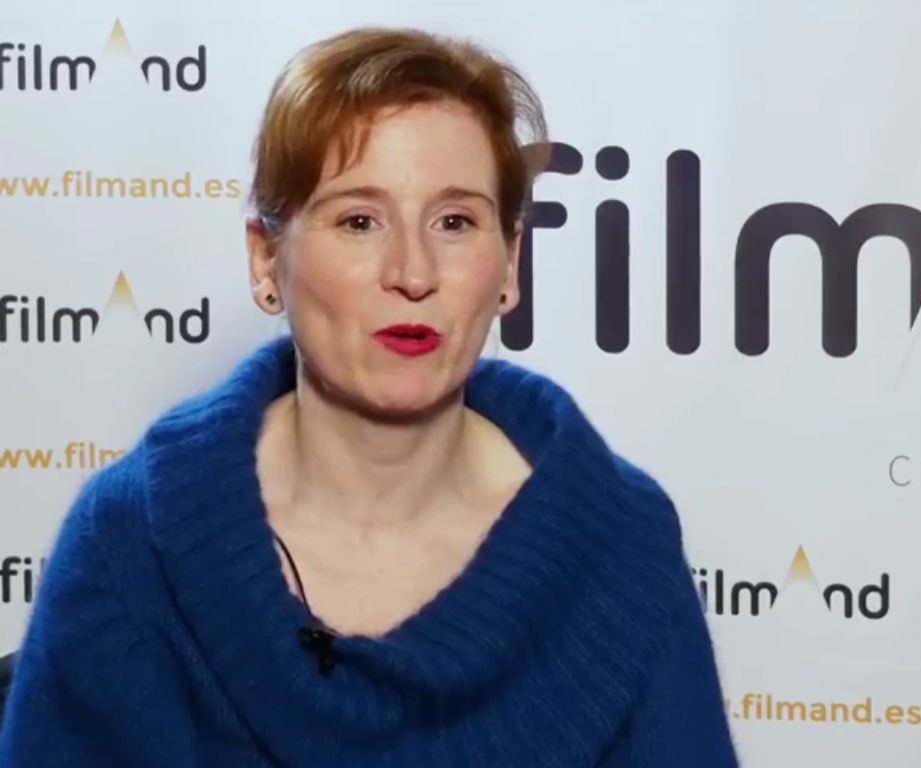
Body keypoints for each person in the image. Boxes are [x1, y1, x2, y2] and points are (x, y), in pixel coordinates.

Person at [0, 26, 737, 767]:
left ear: (510, 263)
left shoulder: (621, 547)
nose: (413, 273)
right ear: (266, 259)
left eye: (455, 222)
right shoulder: (130, 544)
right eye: (359, 221)